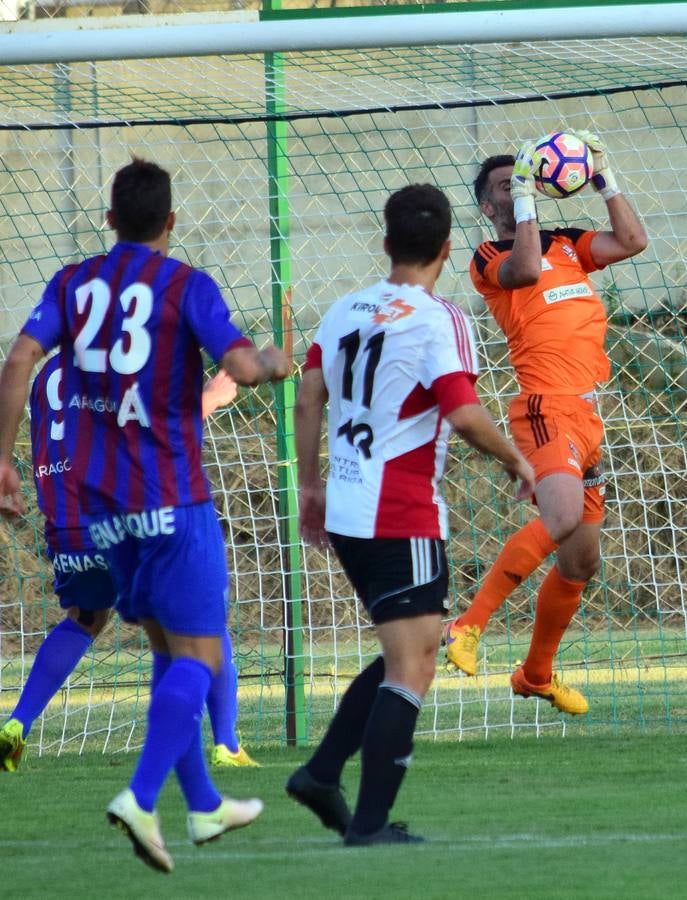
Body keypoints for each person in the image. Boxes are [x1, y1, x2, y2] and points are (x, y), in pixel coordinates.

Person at [0, 158, 290, 872]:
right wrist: (278, 361)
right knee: (204, 652)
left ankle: (203, 806)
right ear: (170, 222)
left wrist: (0, 459)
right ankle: (139, 793)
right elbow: (243, 367)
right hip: (171, 495)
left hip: (99, 504)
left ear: (109, 220)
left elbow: (20, 358)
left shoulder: (72, 284)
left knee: (167, 648)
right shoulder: (185, 284)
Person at [286, 183, 535, 845]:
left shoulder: (342, 309)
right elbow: (461, 411)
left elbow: (308, 396)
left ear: (387, 243)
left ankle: (321, 772)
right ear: (448, 249)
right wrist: (518, 460)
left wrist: (309, 486)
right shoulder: (438, 317)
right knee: (413, 665)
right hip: (400, 510)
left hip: (344, 506)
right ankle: (367, 825)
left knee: (411, 647)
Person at [445, 130, 648, 714]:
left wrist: (605, 177)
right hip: (545, 406)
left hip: (587, 412)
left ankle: (535, 674)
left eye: (524, 177)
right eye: (506, 186)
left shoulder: (568, 244)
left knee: (581, 560)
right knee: (559, 519)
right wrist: (530, 199)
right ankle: (469, 623)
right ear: (488, 207)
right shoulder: (491, 257)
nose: (518, 187)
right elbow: (526, 269)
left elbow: (633, 240)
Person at [0, 364, 258, 773]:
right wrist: (210, 398)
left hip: (68, 526)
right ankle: (226, 744)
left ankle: (16, 724)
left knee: (85, 619)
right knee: (203, 616)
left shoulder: (48, 371)